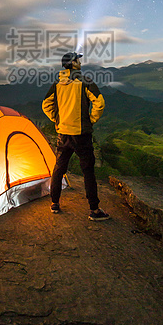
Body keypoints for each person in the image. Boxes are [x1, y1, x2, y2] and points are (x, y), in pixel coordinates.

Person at [42, 52, 110, 221]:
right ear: (73, 63)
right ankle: (94, 210)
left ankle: (54, 203)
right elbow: (99, 102)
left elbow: (46, 104)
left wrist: (56, 120)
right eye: (78, 59)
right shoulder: (85, 81)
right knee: (88, 171)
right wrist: (90, 120)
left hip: (63, 133)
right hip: (81, 135)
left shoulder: (58, 82)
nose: (80, 61)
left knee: (59, 168)